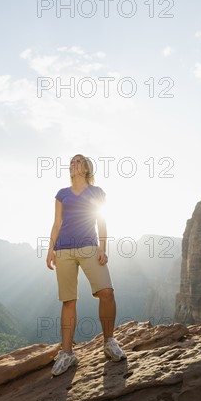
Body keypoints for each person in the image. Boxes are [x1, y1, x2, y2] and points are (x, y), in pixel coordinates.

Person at [46, 154, 126, 376]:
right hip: (63, 250)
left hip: (90, 247)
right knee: (68, 300)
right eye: (71, 161)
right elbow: (56, 223)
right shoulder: (62, 194)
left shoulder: (97, 192)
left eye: (78, 161)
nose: (73, 164)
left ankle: (109, 342)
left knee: (107, 292)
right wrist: (50, 250)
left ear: (87, 168)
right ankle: (67, 353)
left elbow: (102, 220)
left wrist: (103, 248)